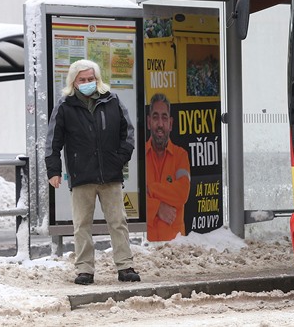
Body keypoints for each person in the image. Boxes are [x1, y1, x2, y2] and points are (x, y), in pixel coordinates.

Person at [45, 59, 140, 285]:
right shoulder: (65, 106)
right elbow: (52, 142)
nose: (87, 83)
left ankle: (125, 267)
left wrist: (119, 160)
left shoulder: (112, 100)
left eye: (91, 79)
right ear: (74, 82)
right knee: (81, 225)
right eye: (82, 80)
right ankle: (84, 270)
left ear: (97, 79)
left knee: (118, 222)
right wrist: (54, 170)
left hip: (111, 175)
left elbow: (127, 133)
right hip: (82, 176)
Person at [145, 93, 191, 241]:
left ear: (170, 124)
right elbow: (132, 203)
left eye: (164, 118)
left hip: (175, 247)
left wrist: (151, 189)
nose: (160, 124)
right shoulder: (138, 157)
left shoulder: (181, 155)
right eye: (155, 117)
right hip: (145, 247)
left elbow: (182, 193)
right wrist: (157, 208)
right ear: (148, 122)